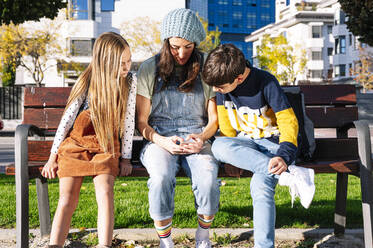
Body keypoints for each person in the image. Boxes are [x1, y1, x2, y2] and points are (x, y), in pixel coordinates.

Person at [202, 44, 315, 248]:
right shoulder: (222, 84)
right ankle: (289, 176)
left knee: (260, 186)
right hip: (250, 145)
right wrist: (231, 159)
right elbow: (226, 127)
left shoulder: (266, 82)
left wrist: (284, 155)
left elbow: (289, 122)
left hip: (275, 147)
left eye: (220, 88)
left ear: (238, 78)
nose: (215, 91)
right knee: (218, 147)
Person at [41, 32, 136, 248]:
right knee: (67, 197)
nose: (127, 67)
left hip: (106, 146)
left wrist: (126, 158)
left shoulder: (130, 81)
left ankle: (104, 245)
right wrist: (52, 157)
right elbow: (66, 121)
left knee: (105, 191)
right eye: (121, 63)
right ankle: (54, 245)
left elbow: (129, 122)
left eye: (129, 61)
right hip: (76, 144)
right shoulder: (87, 81)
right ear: (105, 62)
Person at [136, 8, 220, 248]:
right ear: (166, 43)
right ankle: (166, 242)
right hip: (158, 138)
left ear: (195, 43)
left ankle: (203, 238)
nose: (181, 53)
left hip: (197, 135)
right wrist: (161, 141)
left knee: (208, 179)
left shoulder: (206, 67)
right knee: (161, 178)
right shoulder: (149, 69)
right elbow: (142, 122)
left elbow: (214, 120)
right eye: (174, 47)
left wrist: (202, 138)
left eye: (188, 46)